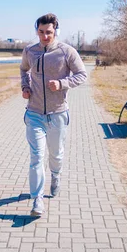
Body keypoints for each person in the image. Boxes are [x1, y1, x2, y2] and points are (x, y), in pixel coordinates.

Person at [20, 13, 88, 217]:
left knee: (56, 155)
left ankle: (56, 175)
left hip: (58, 113)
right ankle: (37, 200)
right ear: (37, 31)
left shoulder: (66, 52)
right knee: (36, 157)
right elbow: (23, 70)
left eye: (48, 32)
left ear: (55, 31)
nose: (44, 36)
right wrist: (25, 86)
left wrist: (61, 84)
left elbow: (82, 75)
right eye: (41, 32)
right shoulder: (29, 51)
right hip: (34, 113)